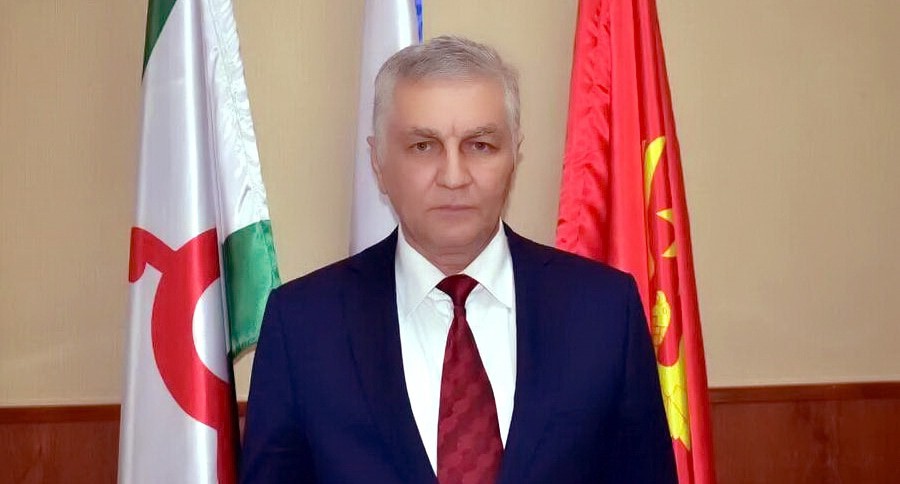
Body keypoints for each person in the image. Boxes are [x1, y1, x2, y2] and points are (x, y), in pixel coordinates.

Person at [240, 35, 677, 484]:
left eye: (480, 145)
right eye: (423, 146)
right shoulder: (303, 325)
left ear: (514, 155)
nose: (453, 177)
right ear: (378, 163)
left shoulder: (604, 311)